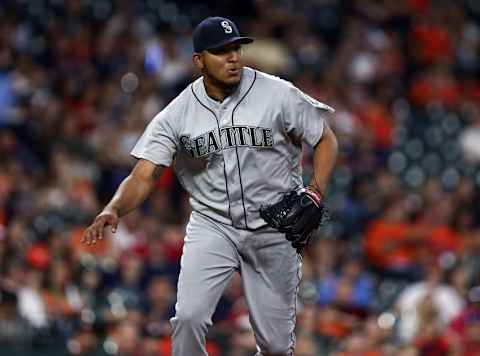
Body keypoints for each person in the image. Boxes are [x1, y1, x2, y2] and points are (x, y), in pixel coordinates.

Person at [82, 16, 338, 356]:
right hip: (213, 223)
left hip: (275, 224)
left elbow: (325, 138)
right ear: (199, 60)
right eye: (221, 52)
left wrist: (316, 189)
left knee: (276, 346)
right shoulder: (177, 114)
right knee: (187, 318)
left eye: (236, 48)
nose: (233, 57)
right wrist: (114, 207)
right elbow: (144, 175)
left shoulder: (277, 93)